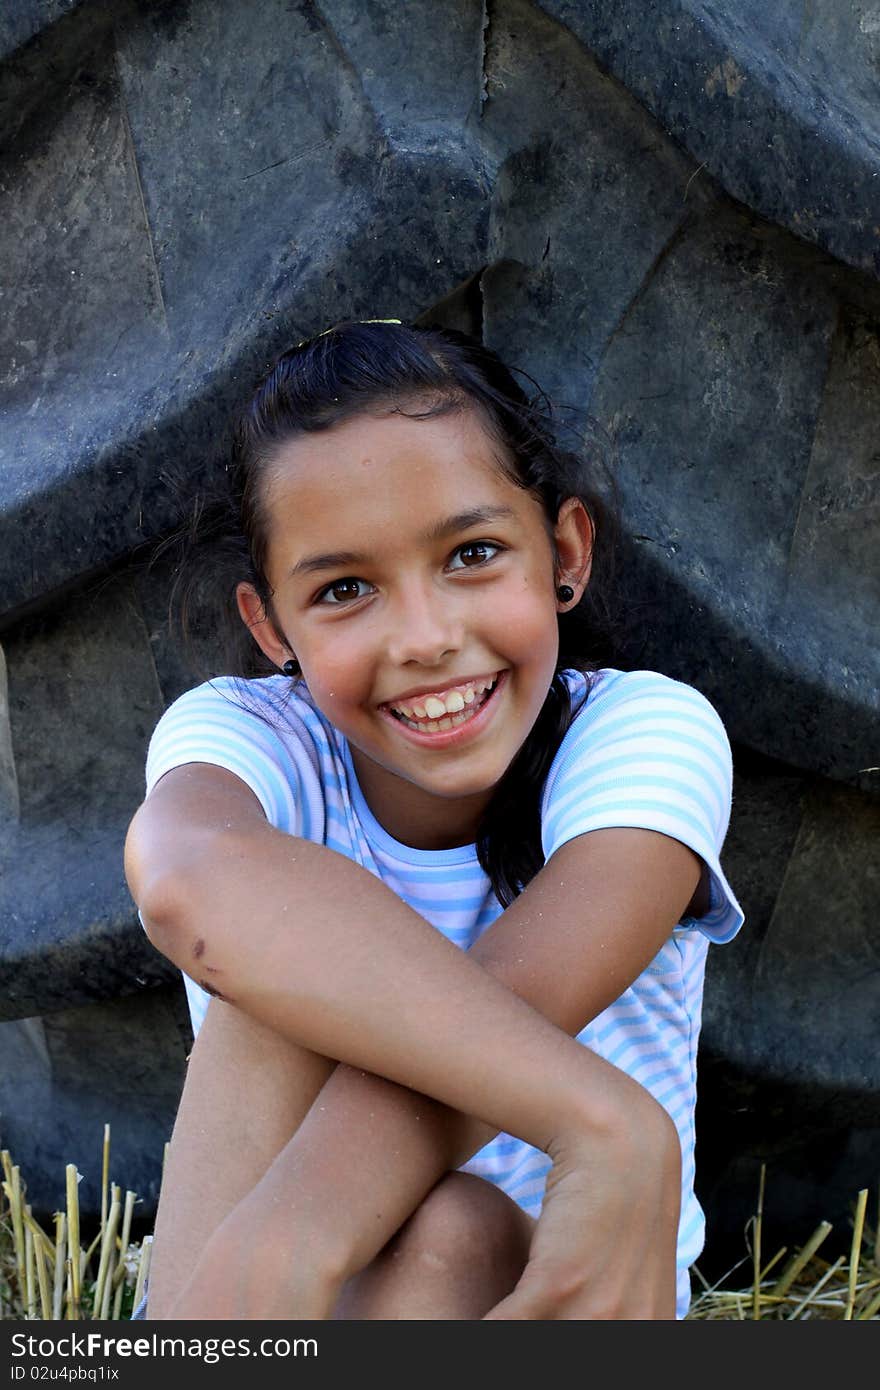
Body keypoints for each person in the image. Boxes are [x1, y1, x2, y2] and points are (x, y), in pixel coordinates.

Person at [123, 319, 743, 1321]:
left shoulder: (641, 730)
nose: (424, 637)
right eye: (346, 588)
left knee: (457, 1228)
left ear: (565, 553)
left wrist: (286, 1244)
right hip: (302, 1300)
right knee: (271, 954)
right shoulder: (247, 735)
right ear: (270, 627)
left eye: (473, 553)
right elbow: (187, 877)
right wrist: (604, 1119)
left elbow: (516, 994)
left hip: (561, 1293)